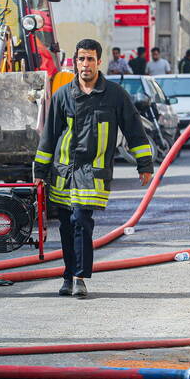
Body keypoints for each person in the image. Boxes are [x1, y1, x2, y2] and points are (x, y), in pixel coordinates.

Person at [33, 39, 153, 297]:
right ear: (75, 62)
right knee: (65, 225)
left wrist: (144, 165)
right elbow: (49, 137)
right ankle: (67, 275)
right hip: (63, 172)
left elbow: (134, 131)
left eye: (90, 59)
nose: (85, 64)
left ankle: (79, 277)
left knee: (81, 221)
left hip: (93, 173)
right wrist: (40, 172)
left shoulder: (114, 95)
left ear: (99, 62)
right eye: (81, 59)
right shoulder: (63, 95)